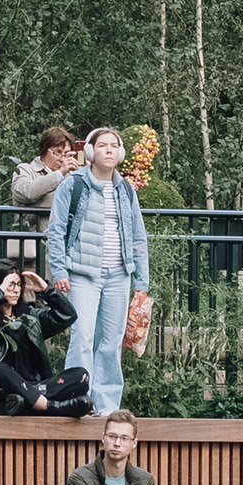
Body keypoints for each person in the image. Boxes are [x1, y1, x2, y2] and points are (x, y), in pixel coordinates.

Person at [44, 124, 150, 415]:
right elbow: (56, 232)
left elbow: (139, 235)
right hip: (82, 273)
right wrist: (60, 271)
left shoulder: (126, 190)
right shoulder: (73, 184)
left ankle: (107, 407)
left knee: (111, 341)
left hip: (119, 274)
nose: (109, 150)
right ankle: (77, 400)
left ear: (120, 153)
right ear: (90, 152)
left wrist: (142, 280)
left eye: (114, 146)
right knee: (83, 335)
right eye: (103, 145)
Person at [0, 262, 91, 418]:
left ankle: (25, 404)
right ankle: (49, 406)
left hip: (31, 388)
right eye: (10, 285)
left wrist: (47, 290)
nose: (16, 290)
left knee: (81, 376)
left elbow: (67, 316)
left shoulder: (29, 317)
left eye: (18, 284)